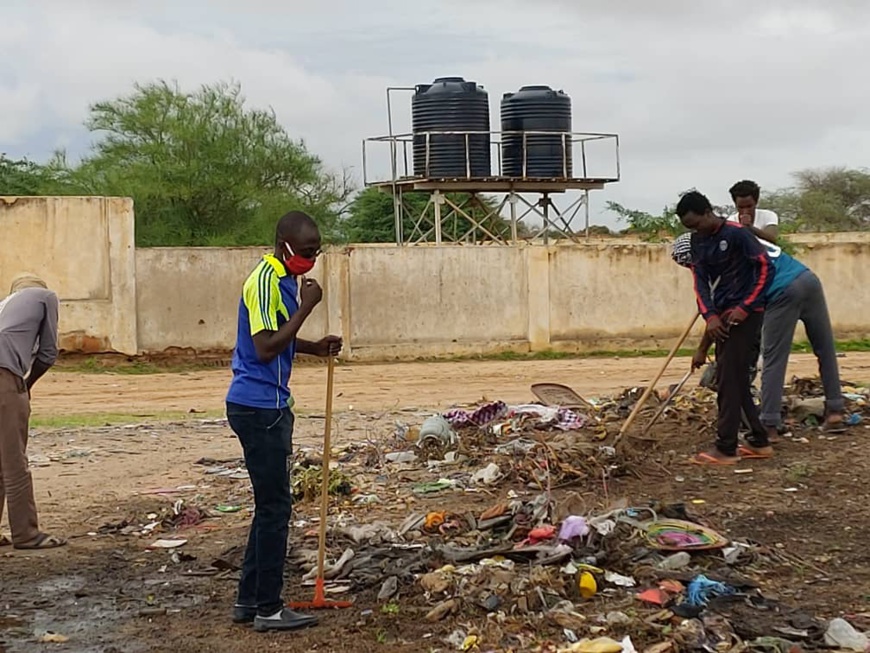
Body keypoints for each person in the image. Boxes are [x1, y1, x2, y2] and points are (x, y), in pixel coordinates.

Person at [225, 211, 342, 632]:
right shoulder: (263, 282)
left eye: (316, 253)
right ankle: (269, 609)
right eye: (307, 252)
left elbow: (281, 337)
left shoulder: (283, 280)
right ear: (284, 246)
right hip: (259, 409)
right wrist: (308, 308)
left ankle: (248, 601)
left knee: (268, 507)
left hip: (268, 404)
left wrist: (314, 347)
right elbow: (265, 348)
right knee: (276, 509)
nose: (311, 260)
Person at [674, 191, 775, 465]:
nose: (696, 230)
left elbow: (766, 268)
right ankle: (759, 441)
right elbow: (701, 283)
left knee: (728, 380)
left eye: (697, 223)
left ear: (708, 212)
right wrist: (710, 317)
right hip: (721, 318)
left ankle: (726, 448)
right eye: (690, 227)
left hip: (746, 314)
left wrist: (746, 306)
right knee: (735, 379)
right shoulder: (698, 241)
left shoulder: (737, 234)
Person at [0, 273, 66, 550]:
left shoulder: (3, 305)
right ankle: (26, 534)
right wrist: (26, 385)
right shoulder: (45, 297)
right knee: (14, 462)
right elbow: (48, 353)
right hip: (4, 378)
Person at [727, 179, 778, 385]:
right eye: (741, 206)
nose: (745, 209)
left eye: (749, 205)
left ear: (756, 202)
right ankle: (746, 375)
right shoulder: (730, 221)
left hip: (769, 277)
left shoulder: (768, 217)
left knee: (767, 331)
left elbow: (772, 239)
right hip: (745, 282)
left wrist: (749, 229)